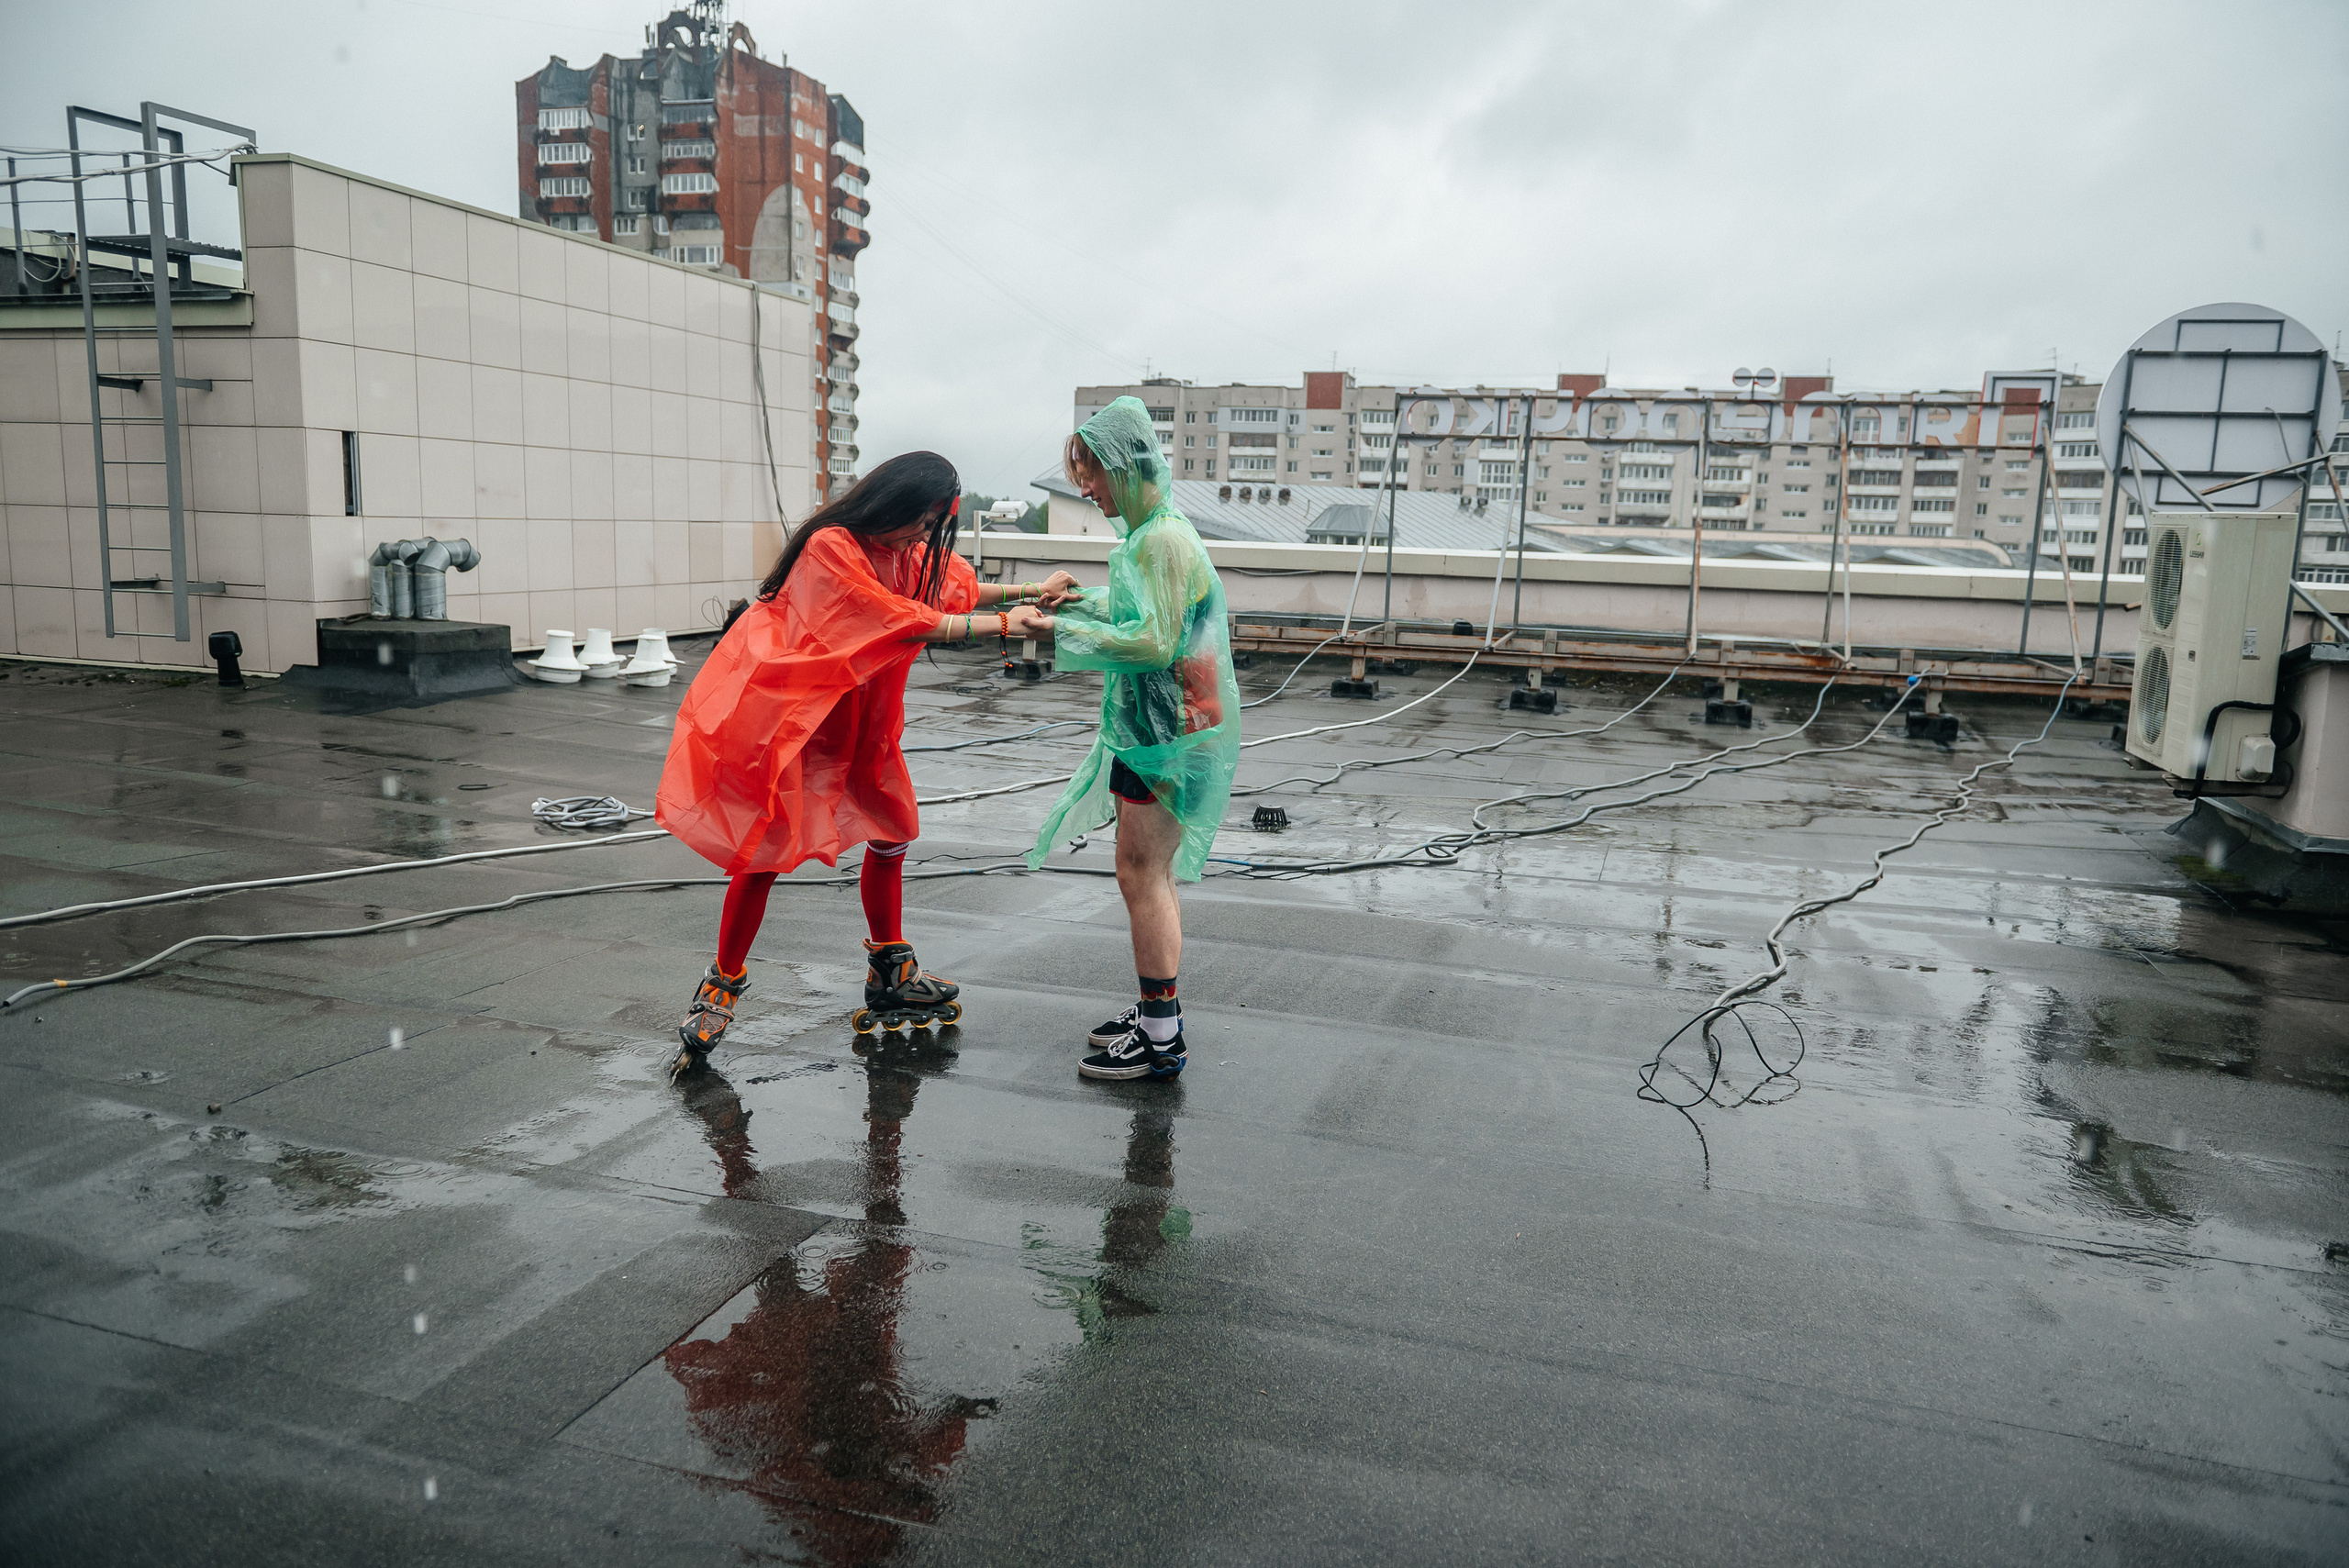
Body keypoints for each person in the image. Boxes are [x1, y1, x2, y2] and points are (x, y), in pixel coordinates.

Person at [657, 451, 1074, 1073]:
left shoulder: (907, 553)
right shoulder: (833, 546)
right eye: (922, 522)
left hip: (868, 723)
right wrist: (1003, 625)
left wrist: (1029, 591)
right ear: (894, 503)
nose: (925, 537)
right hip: (804, 720)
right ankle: (723, 979)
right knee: (768, 847)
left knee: (892, 830)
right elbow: (896, 619)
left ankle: (890, 968)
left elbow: (951, 585)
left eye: (934, 527)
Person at [1025, 397, 1241, 1081]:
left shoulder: (1161, 540)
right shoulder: (1155, 533)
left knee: (1140, 873)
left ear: (1123, 464)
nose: (1086, 489)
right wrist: (1080, 602)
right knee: (1151, 874)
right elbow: (1143, 610)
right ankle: (1157, 1013)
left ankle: (1160, 1036)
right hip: (1167, 732)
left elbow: (1150, 640)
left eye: (1091, 474)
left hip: (1167, 736)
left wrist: (1054, 631)